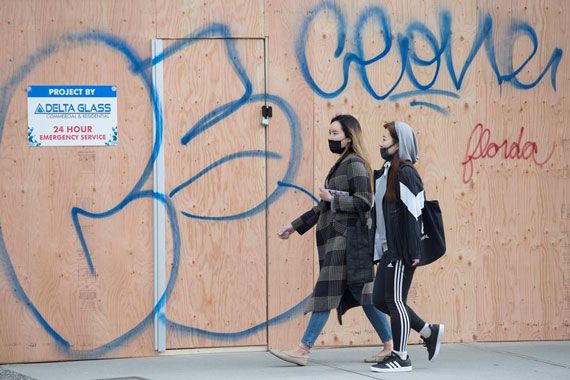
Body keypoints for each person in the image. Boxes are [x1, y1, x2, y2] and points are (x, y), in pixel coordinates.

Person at [270, 114, 393, 366]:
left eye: (335, 133)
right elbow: (322, 208)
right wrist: (293, 227)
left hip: (347, 243)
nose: (331, 137)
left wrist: (333, 199)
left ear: (349, 137)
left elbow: (364, 201)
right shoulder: (342, 163)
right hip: (341, 242)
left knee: (325, 292)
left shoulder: (355, 164)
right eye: (329, 132)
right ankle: (390, 346)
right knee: (365, 296)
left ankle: (303, 349)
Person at [369, 121, 444, 373]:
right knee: (380, 299)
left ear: (398, 144)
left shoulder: (406, 173)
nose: (380, 143)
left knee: (395, 299)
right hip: (389, 248)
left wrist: (413, 251)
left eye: (384, 138)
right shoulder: (386, 172)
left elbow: (415, 215)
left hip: (403, 248)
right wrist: (377, 250)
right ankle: (427, 331)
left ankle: (401, 356)